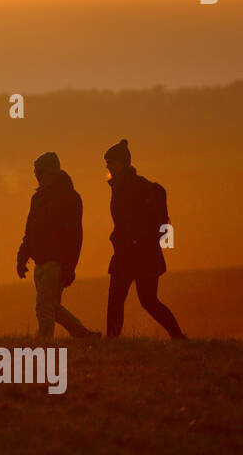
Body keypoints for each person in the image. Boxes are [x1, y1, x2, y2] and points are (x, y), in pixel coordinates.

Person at [103, 139, 185, 339]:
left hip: (130, 255)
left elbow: (129, 223)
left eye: (110, 163)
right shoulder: (134, 187)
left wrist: (128, 242)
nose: (107, 167)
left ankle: (113, 341)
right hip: (144, 254)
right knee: (148, 301)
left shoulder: (127, 188)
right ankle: (178, 337)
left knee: (119, 300)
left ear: (121, 164)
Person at [17, 152, 100, 339]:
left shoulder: (70, 198)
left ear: (53, 173)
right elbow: (30, 231)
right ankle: (83, 334)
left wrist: (69, 267)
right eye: (36, 173)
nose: (38, 177)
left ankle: (44, 343)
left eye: (41, 173)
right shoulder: (37, 199)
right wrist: (22, 256)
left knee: (44, 306)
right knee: (51, 306)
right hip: (40, 264)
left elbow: (75, 236)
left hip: (56, 263)